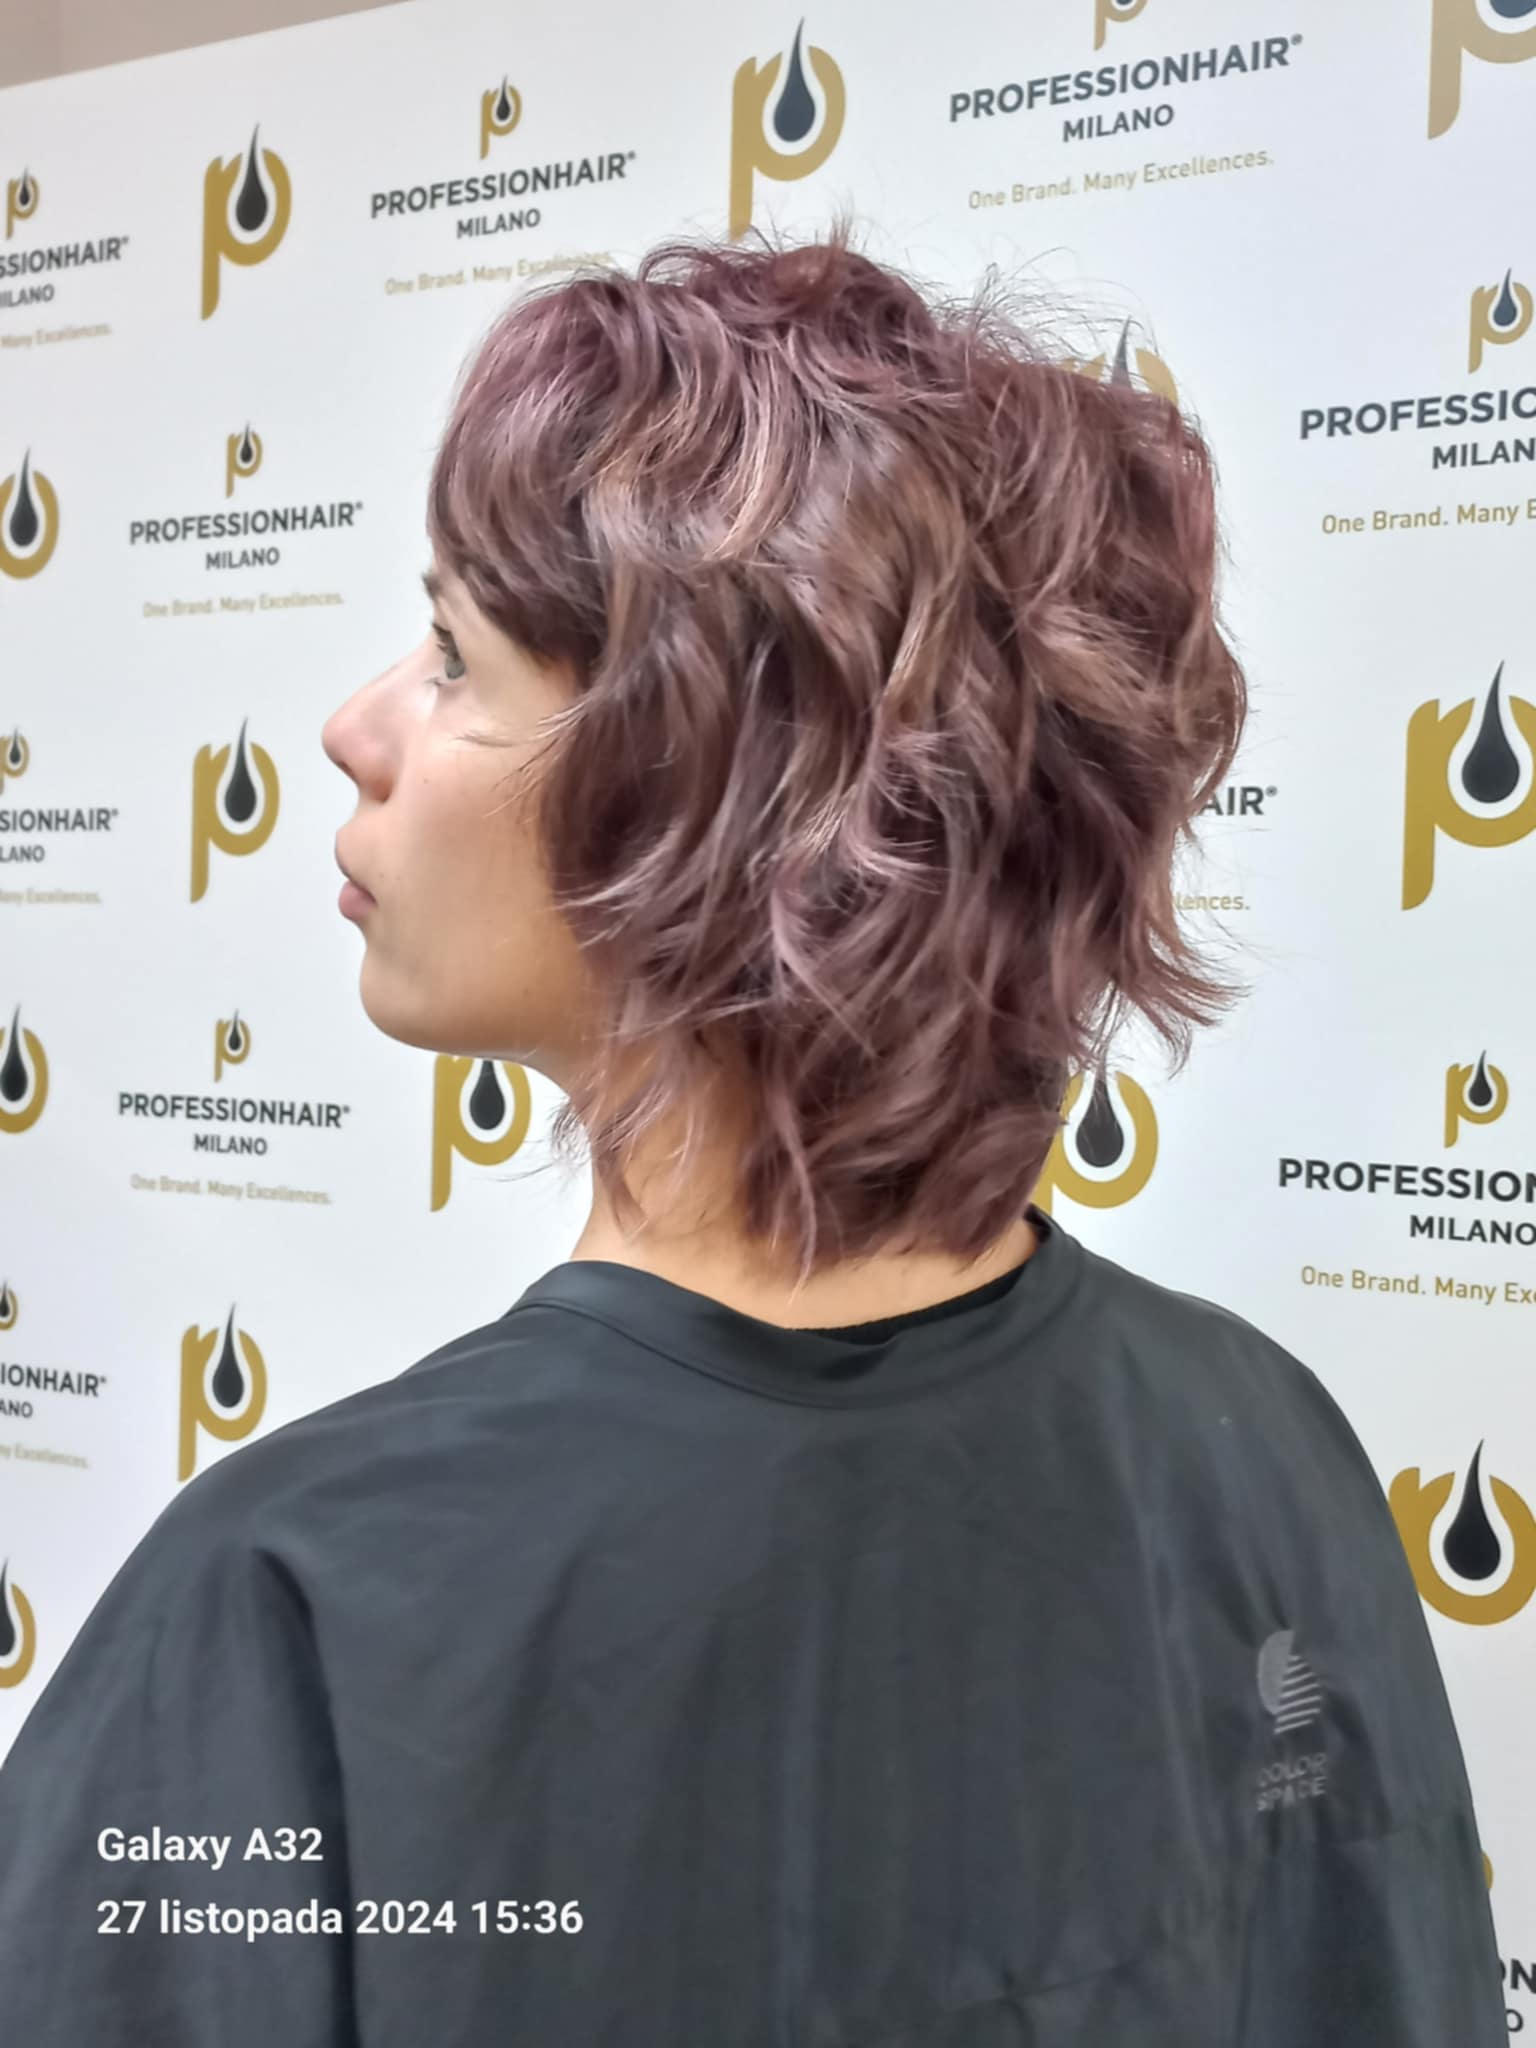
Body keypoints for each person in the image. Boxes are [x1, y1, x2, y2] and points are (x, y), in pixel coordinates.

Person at [0, 225, 1503, 2045]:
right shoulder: (1263, 1452)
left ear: (707, 797)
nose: (352, 727)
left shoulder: (291, 1610)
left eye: (458, 656)